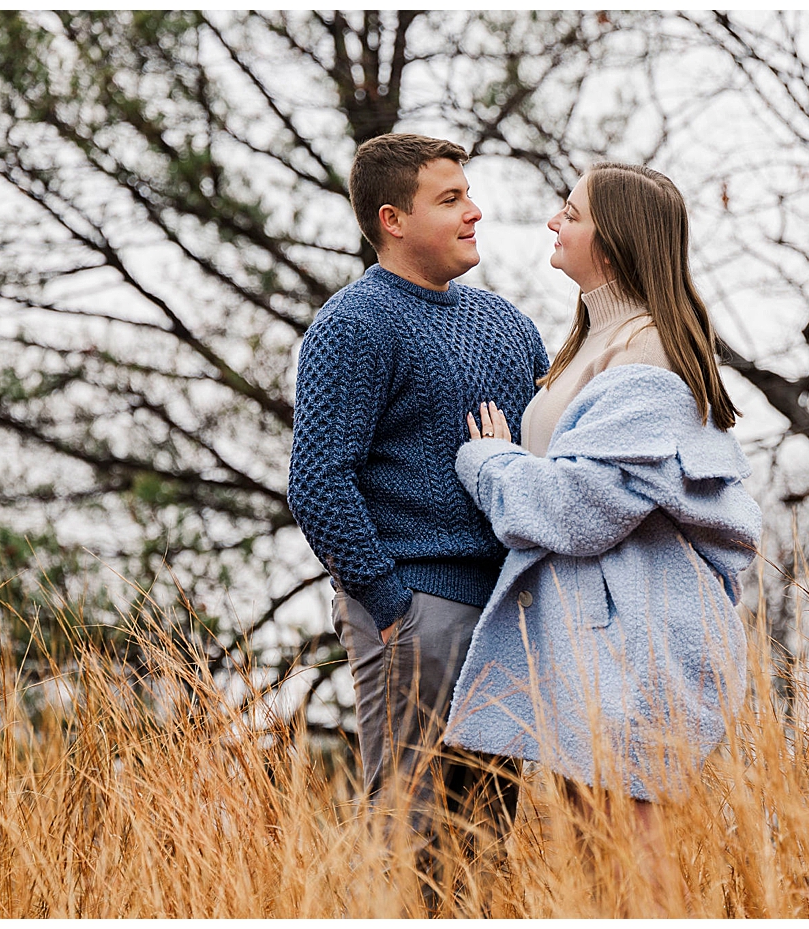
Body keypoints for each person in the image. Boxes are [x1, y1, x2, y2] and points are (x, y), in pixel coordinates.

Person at [441, 162, 759, 910]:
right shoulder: (595, 341)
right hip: (594, 633)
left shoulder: (648, 355)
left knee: (627, 847)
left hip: (635, 634)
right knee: (598, 848)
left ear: (612, 243)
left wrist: (488, 462)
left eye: (572, 213)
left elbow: (578, 508)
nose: (554, 222)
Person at [286, 133, 545, 880]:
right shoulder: (354, 323)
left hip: (509, 617)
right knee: (414, 841)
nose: (475, 212)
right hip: (416, 616)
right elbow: (319, 481)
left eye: (468, 194)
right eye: (451, 199)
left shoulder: (507, 323)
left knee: (489, 846)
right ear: (393, 219)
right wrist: (390, 605)